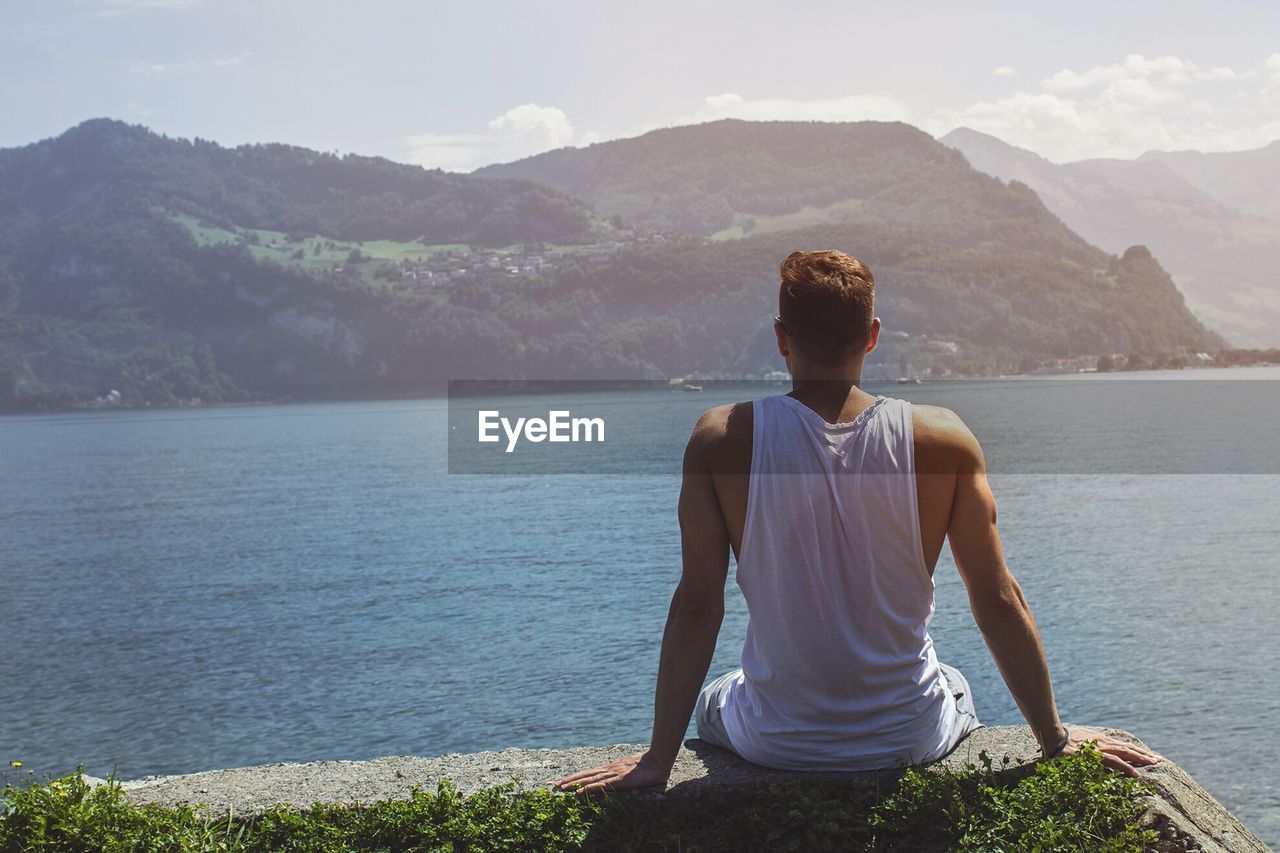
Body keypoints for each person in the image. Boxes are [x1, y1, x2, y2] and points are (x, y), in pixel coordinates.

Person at [556, 250, 1160, 794]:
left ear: (781, 339)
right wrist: (1055, 740)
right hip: (908, 737)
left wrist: (658, 762)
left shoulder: (719, 439)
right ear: (871, 336)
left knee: (726, 689)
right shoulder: (944, 438)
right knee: (948, 677)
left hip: (777, 741)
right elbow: (997, 597)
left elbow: (696, 602)